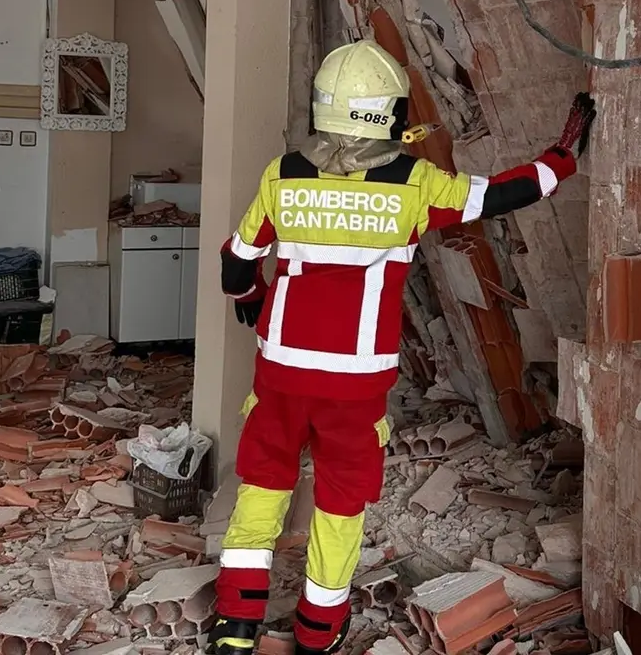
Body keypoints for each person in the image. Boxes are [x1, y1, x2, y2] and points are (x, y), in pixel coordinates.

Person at [207, 39, 595, 655]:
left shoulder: (282, 175)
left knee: (262, 488)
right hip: (355, 386)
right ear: (389, 112)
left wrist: (248, 297)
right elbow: (500, 194)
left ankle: (235, 628)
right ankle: (317, 634)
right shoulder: (413, 184)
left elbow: (236, 260)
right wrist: (563, 156)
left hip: (281, 372)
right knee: (338, 507)